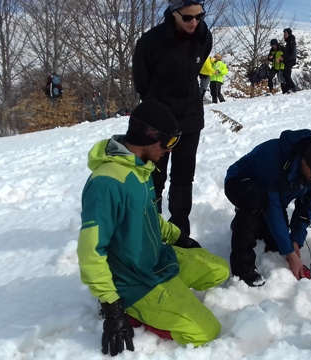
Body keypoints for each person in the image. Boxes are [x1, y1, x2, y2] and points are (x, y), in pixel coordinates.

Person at [77, 100, 229, 356]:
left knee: (218, 271)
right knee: (206, 331)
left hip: (156, 259)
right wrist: (112, 308)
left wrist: (180, 238)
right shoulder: (107, 183)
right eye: (167, 143)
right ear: (149, 138)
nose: (169, 151)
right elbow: (90, 251)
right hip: (134, 281)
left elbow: (149, 216)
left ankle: (170, 291)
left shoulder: (140, 168)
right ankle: (135, 310)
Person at [132, 0, 211, 235]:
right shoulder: (150, 41)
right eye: (187, 17)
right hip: (158, 123)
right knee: (154, 178)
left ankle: (179, 231)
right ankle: (151, 229)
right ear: (173, 13)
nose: (194, 22)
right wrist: (160, 107)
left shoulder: (203, 36)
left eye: (199, 16)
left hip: (191, 119)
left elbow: (196, 70)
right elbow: (142, 83)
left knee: (183, 178)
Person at [225, 130, 311, 286]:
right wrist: (291, 254)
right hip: (240, 182)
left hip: (274, 199)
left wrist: (295, 241)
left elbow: (305, 210)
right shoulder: (275, 157)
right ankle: (243, 268)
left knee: (275, 244)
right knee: (257, 200)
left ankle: (248, 222)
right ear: (304, 160)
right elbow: (272, 208)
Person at [281, 28, 297, 94]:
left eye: (285, 33)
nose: (284, 35)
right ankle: (286, 90)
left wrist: (283, 57)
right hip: (288, 60)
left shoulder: (291, 41)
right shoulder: (289, 41)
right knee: (286, 74)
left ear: (288, 34)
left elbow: (290, 51)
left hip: (290, 59)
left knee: (286, 74)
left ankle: (292, 87)